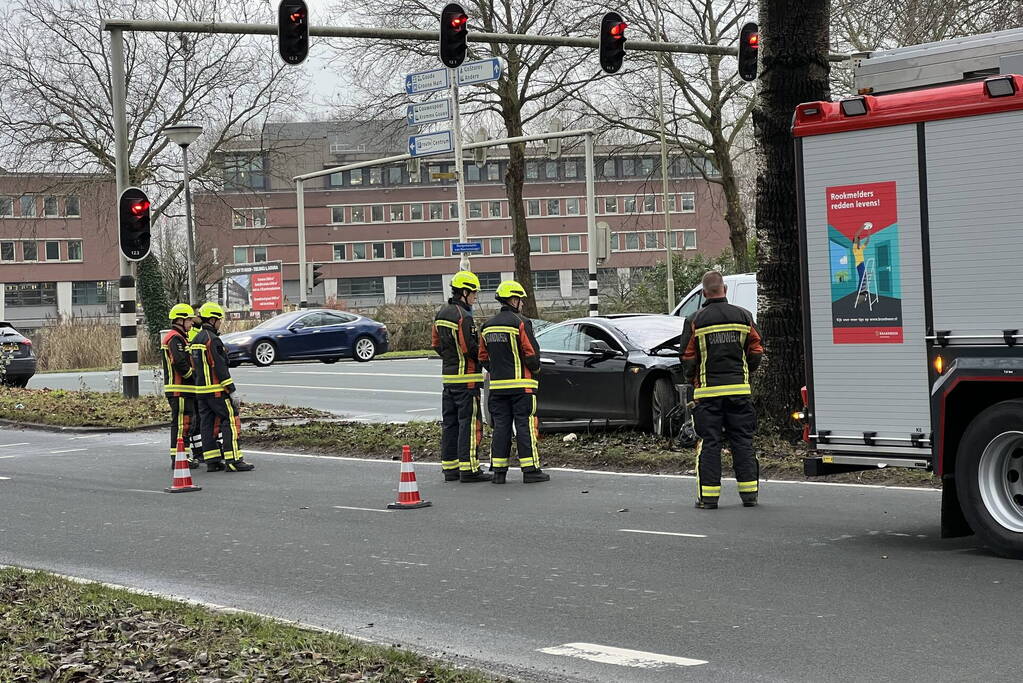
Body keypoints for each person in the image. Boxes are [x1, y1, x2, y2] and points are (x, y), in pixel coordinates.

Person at [680, 271, 763, 509]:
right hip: (739, 391)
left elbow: (687, 356)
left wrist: (693, 379)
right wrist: (746, 371)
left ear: (705, 293)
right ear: (724, 289)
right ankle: (749, 496)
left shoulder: (696, 319)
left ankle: (708, 498)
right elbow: (757, 350)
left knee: (709, 443)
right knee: (743, 441)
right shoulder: (743, 316)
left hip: (707, 394)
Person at [478, 280, 549, 484]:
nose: (522, 304)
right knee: (525, 425)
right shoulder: (521, 322)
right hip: (521, 387)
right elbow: (531, 353)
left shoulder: (487, 326)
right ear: (514, 299)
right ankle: (530, 470)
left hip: (498, 388)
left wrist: (497, 372)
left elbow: (483, 357)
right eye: (521, 300)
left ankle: (499, 473)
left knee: (501, 427)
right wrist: (535, 370)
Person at [433, 271, 491, 482]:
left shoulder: (441, 314)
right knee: (470, 424)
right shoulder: (463, 317)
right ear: (464, 292)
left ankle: (450, 468)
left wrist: (451, 359)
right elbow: (469, 348)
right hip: (467, 379)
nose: (475, 297)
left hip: (448, 379)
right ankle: (469, 469)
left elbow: (436, 344)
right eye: (474, 293)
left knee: (450, 424)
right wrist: (483, 358)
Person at [190, 302, 254, 473]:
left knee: (207, 425)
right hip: (217, 390)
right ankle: (233, 459)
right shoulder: (213, 339)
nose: (220, 323)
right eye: (218, 319)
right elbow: (219, 366)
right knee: (231, 420)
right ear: (212, 319)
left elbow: (194, 366)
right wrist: (231, 390)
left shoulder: (196, 339)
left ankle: (212, 461)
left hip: (201, 391)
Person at [161, 303, 201, 468]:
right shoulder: (175, 338)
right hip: (180, 389)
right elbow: (179, 361)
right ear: (180, 320)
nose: (191, 323)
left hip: (184, 389)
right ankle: (179, 458)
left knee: (186, 424)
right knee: (181, 425)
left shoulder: (180, 337)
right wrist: (192, 377)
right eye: (189, 320)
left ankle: (182, 456)